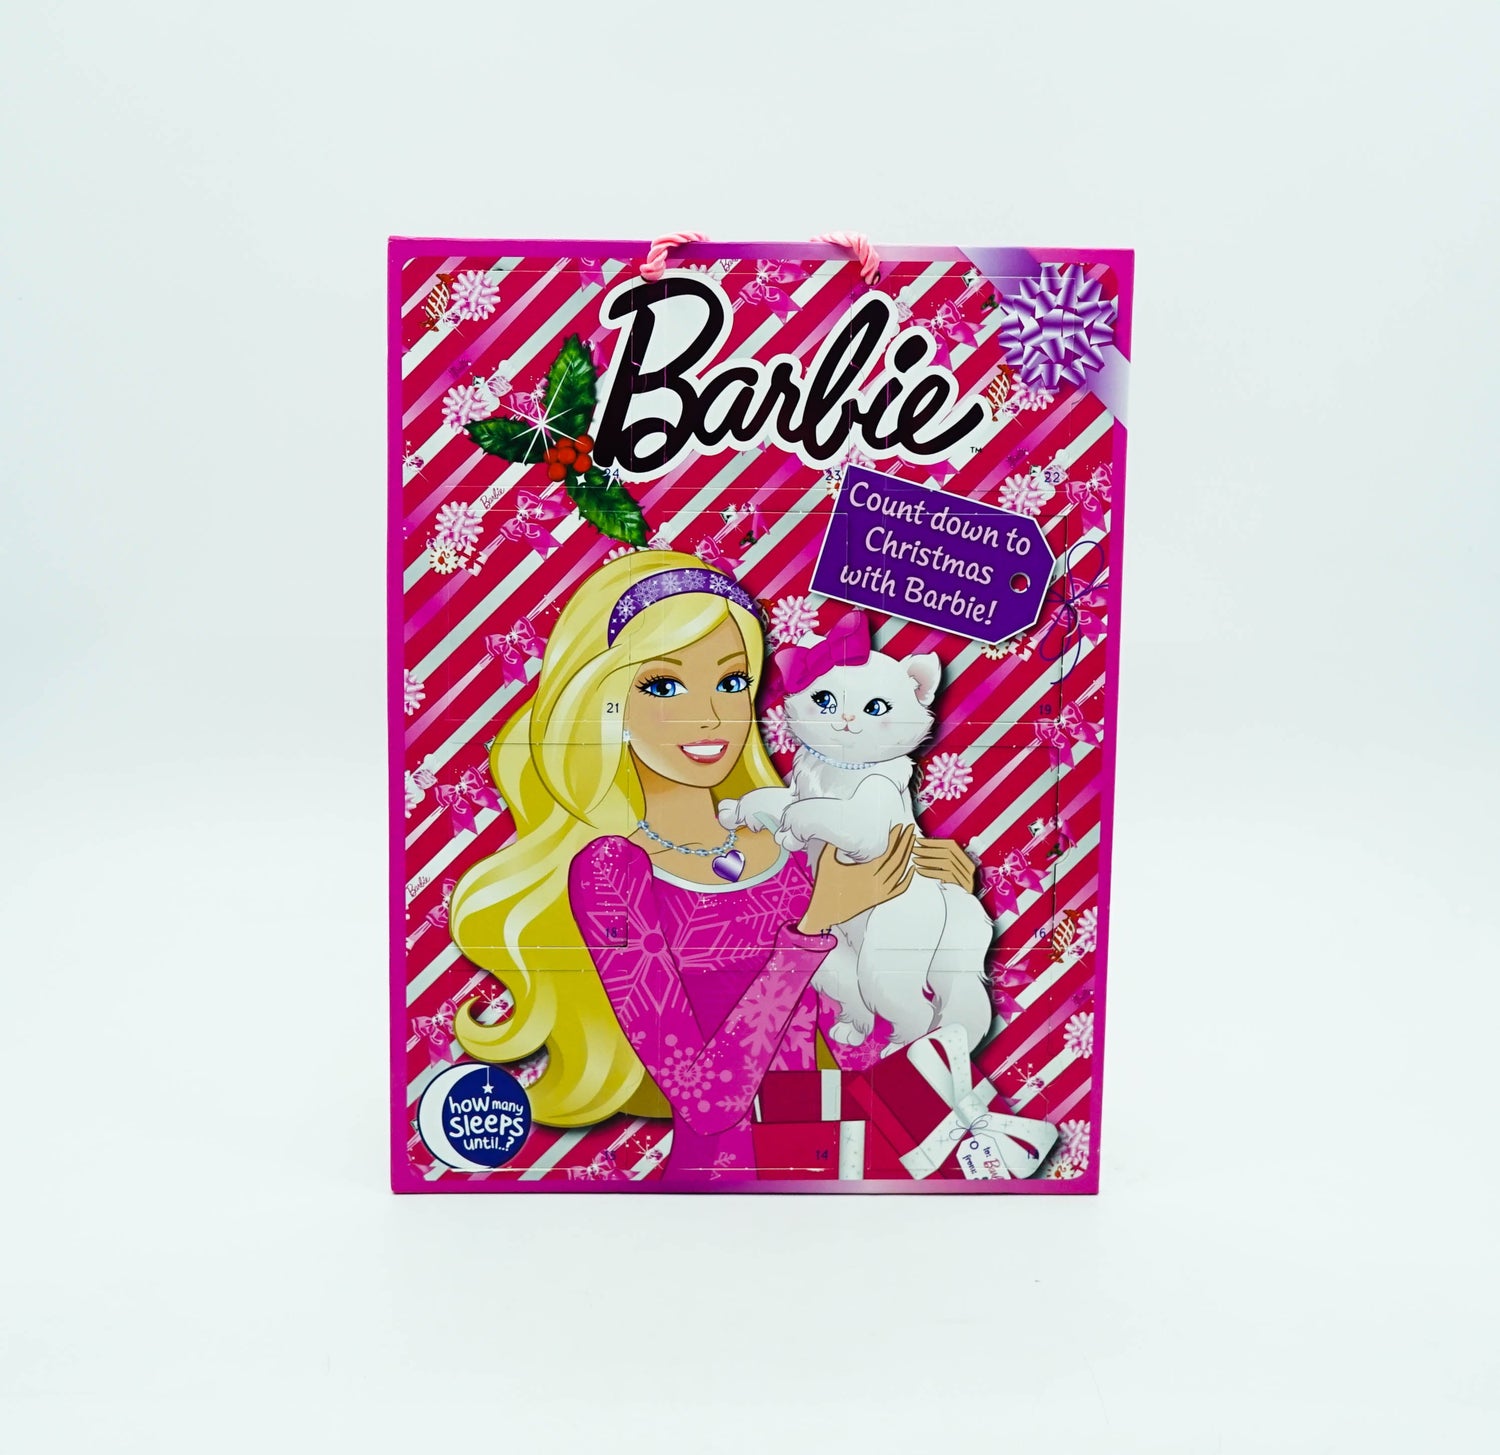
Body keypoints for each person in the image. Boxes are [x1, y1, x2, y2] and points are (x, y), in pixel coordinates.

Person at [447, 550, 977, 1181]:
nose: (710, 716)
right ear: (606, 702)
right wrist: (815, 923)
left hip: (851, 1166)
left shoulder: (787, 830)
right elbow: (706, 1100)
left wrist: (936, 914)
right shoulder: (611, 873)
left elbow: (858, 1035)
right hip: (723, 1184)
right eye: (664, 686)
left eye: (731, 683)